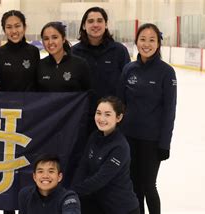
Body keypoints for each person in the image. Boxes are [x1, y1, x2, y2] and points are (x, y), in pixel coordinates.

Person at [118, 23, 177, 214]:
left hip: (151, 141)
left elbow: (169, 111)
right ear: (136, 42)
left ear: (158, 43)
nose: (146, 44)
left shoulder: (166, 73)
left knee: (148, 185)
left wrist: (164, 144)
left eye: (152, 40)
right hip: (129, 137)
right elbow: (120, 104)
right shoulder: (129, 69)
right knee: (134, 185)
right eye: (142, 39)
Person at [71, 96, 140, 214]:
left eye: (107, 114)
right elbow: (83, 167)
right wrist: (72, 192)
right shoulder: (94, 136)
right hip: (99, 205)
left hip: (123, 209)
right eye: (98, 113)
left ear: (119, 117)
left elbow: (100, 179)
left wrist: (72, 192)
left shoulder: (120, 147)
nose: (101, 118)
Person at [71, 7, 130, 98]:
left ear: (106, 25)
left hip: (111, 110)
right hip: (84, 109)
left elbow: (127, 82)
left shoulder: (119, 51)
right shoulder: (74, 52)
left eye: (99, 21)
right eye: (90, 21)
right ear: (83, 26)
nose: (95, 25)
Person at [37, 21, 91, 92]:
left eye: (55, 37)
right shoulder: (39, 65)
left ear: (63, 39)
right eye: (46, 39)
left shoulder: (80, 64)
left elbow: (87, 95)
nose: (50, 42)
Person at [0, 10, 40, 92]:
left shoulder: (33, 51)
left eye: (17, 26)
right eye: (9, 27)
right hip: (5, 104)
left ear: (24, 27)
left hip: (29, 103)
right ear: (4, 30)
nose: (14, 31)